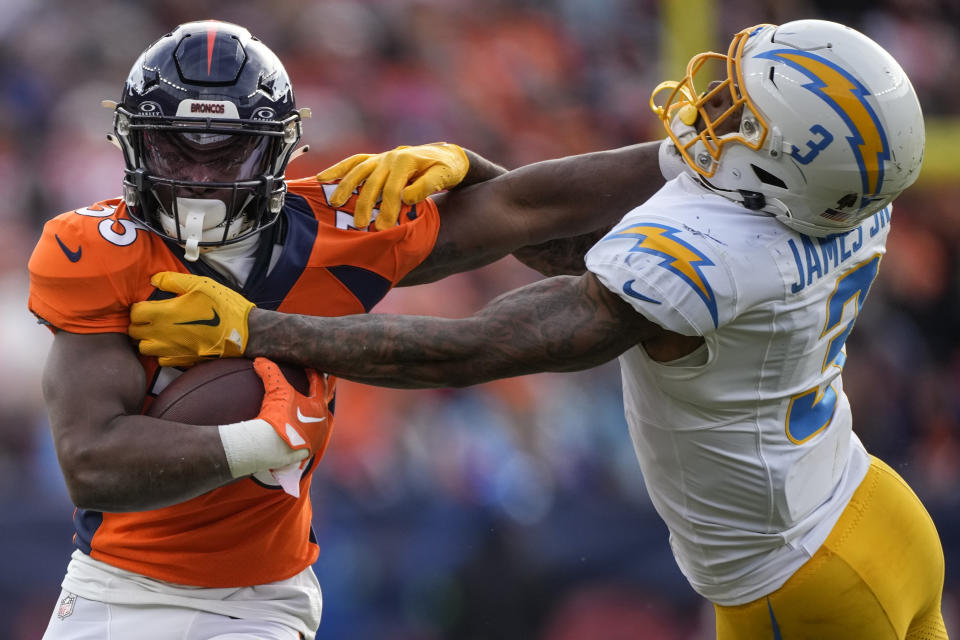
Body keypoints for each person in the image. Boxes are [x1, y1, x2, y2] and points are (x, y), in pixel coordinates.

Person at [129, 20, 947, 639]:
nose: (716, 105)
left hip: (800, 578)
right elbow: (558, 223)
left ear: (779, 161)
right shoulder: (823, 196)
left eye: (743, 111)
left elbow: (477, 346)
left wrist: (260, 330)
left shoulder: (725, 246)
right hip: (869, 511)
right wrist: (471, 167)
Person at [29, 19, 668, 640]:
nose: (199, 179)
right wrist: (264, 440)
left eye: (227, 153)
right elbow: (93, 464)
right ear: (134, 144)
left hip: (261, 602)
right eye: (176, 147)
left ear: (278, 150)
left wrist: (689, 155)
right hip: (119, 588)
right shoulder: (98, 248)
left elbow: (546, 225)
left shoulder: (336, 225)